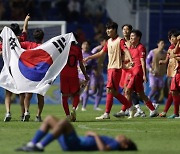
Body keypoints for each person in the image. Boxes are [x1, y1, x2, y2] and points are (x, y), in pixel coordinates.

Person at [84, 21, 134, 120]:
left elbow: (126, 50)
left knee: (110, 91)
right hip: (110, 68)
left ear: (114, 30)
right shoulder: (108, 42)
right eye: (107, 29)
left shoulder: (120, 41)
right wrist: (89, 57)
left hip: (116, 68)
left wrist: (131, 60)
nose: (107, 30)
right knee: (114, 92)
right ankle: (130, 106)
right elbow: (101, 53)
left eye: (109, 29)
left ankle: (106, 113)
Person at [16, 115, 137, 152]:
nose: (123, 136)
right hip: (73, 142)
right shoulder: (114, 141)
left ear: (124, 145)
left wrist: (95, 135)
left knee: (64, 123)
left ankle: (40, 146)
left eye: (125, 139)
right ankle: (33, 144)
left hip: (75, 144)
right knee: (49, 119)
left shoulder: (115, 144)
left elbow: (103, 149)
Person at [116, 30, 158, 118]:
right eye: (130, 36)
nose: (131, 37)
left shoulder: (141, 47)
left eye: (133, 36)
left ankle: (126, 110)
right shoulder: (130, 48)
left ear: (138, 37)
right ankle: (153, 110)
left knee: (127, 91)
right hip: (131, 71)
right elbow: (129, 59)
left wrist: (144, 74)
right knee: (141, 94)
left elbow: (143, 61)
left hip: (137, 72)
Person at [3, 14, 30, 122]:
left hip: (9, 68)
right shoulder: (21, 39)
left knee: (8, 92)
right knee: (21, 93)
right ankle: (23, 114)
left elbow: (1, 51)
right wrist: (26, 20)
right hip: (20, 68)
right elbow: (25, 30)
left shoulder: (5, 42)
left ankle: (8, 112)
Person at [118, 24, 145, 118]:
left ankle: (126, 110)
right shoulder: (121, 42)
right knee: (127, 91)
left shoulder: (132, 43)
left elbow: (135, 57)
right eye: (123, 29)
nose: (125, 31)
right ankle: (138, 109)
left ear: (130, 31)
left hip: (132, 69)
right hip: (124, 68)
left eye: (127, 29)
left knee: (129, 90)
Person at [60, 38, 89, 122]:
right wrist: (85, 75)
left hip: (64, 75)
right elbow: (81, 64)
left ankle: (68, 115)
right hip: (74, 74)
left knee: (64, 97)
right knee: (76, 94)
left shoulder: (63, 49)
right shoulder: (77, 49)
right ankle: (73, 108)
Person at [20, 28, 45, 122]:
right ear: (43, 38)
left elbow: (17, 43)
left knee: (28, 95)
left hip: (30, 73)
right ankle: (38, 116)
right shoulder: (46, 46)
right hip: (41, 74)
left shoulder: (28, 44)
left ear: (34, 37)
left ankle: (26, 111)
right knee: (40, 95)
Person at [159, 30, 180, 118]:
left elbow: (174, 55)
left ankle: (174, 113)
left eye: (173, 37)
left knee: (174, 92)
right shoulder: (171, 47)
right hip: (173, 73)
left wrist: (174, 56)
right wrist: (163, 62)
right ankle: (171, 112)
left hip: (178, 72)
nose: (171, 39)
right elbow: (168, 59)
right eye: (170, 38)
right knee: (173, 92)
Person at [146, 39, 167, 110]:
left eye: (163, 43)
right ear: (158, 44)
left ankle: (154, 103)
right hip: (153, 74)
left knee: (159, 89)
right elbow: (147, 62)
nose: (162, 45)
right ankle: (147, 99)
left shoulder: (165, 53)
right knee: (154, 88)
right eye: (161, 43)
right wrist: (150, 69)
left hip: (161, 74)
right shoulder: (153, 52)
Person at [88, 36, 107, 111]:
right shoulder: (95, 50)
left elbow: (101, 61)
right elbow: (90, 59)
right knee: (93, 91)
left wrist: (104, 65)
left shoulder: (105, 50)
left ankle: (96, 106)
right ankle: (82, 95)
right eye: (106, 41)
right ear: (102, 42)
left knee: (101, 89)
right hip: (94, 72)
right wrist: (93, 68)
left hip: (100, 72)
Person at [80, 41, 95, 111]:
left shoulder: (91, 55)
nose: (85, 46)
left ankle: (84, 107)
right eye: (84, 44)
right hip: (79, 74)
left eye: (87, 45)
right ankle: (77, 104)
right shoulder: (78, 54)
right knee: (77, 92)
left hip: (87, 75)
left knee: (86, 90)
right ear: (81, 46)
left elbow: (94, 65)